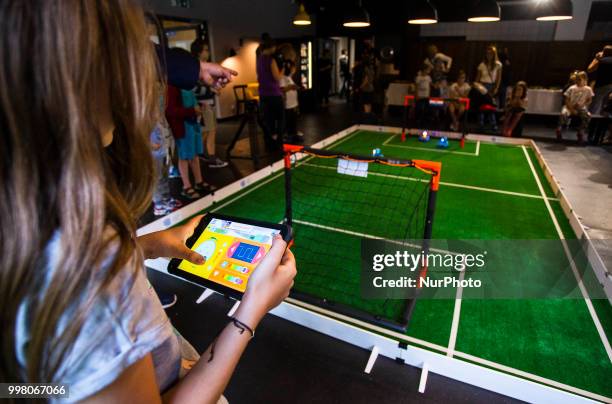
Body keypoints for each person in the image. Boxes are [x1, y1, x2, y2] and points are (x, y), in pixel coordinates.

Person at [1, 2, 296, 404]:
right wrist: (250, 313)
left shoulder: (25, 222)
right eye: (125, 52)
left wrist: (147, 245)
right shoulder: (92, 272)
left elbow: (28, 388)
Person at [191, 39, 228, 168]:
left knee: (208, 131)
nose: (207, 52)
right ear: (199, 52)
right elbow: (193, 87)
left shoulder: (204, 67)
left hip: (207, 103)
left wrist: (214, 89)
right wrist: (210, 89)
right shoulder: (195, 68)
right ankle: (209, 158)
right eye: (205, 50)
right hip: (203, 104)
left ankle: (200, 155)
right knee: (209, 131)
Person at [256, 36, 285, 150]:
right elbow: (277, 78)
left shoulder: (259, 60)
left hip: (263, 94)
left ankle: (269, 141)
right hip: (274, 94)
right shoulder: (271, 60)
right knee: (280, 119)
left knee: (269, 120)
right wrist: (283, 69)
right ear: (272, 47)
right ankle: (279, 142)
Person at [556, 71, 594, 144]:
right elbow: (566, 100)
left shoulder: (588, 89)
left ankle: (580, 132)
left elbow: (589, 100)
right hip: (569, 106)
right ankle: (559, 130)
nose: (578, 81)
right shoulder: (572, 88)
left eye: (580, 79)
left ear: (585, 79)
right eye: (577, 79)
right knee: (563, 114)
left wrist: (583, 104)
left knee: (587, 116)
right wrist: (572, 109)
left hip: (580, 107)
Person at [475, 45, 503, 130]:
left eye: (491, 53)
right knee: (481, 106)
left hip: (491, 86)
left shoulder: (498, 65)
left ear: (494, 54)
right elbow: (477, 78)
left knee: (491, 106)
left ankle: (493, 124)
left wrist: (496, 88)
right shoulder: (482, 65)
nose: (489, 55)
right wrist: (477, 86)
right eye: (487, 53)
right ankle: (480, 124)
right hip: (482, 86)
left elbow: (498, 78)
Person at [280, 60, 302, 143]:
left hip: (293, 104)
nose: (294, 69)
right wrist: (292, 87)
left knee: (293, 121)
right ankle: (287, 137)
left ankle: (294, 135)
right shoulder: (282, 78)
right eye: (293, 67)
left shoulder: (289, 77)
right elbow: (282, 89)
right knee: (287, 121)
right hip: (287, 104)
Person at [415, 63, 433, 128]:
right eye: (426, 70)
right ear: (423, 70)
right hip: (420, 96)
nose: (427, 71)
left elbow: (430, 86)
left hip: (426, 96)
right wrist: (416, 95)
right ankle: (418, 122)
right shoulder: (418, 77)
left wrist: (429, 95)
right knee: (419, 109)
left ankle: (425, 123)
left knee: (426, 110)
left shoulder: (428, 77)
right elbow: (416, 87)